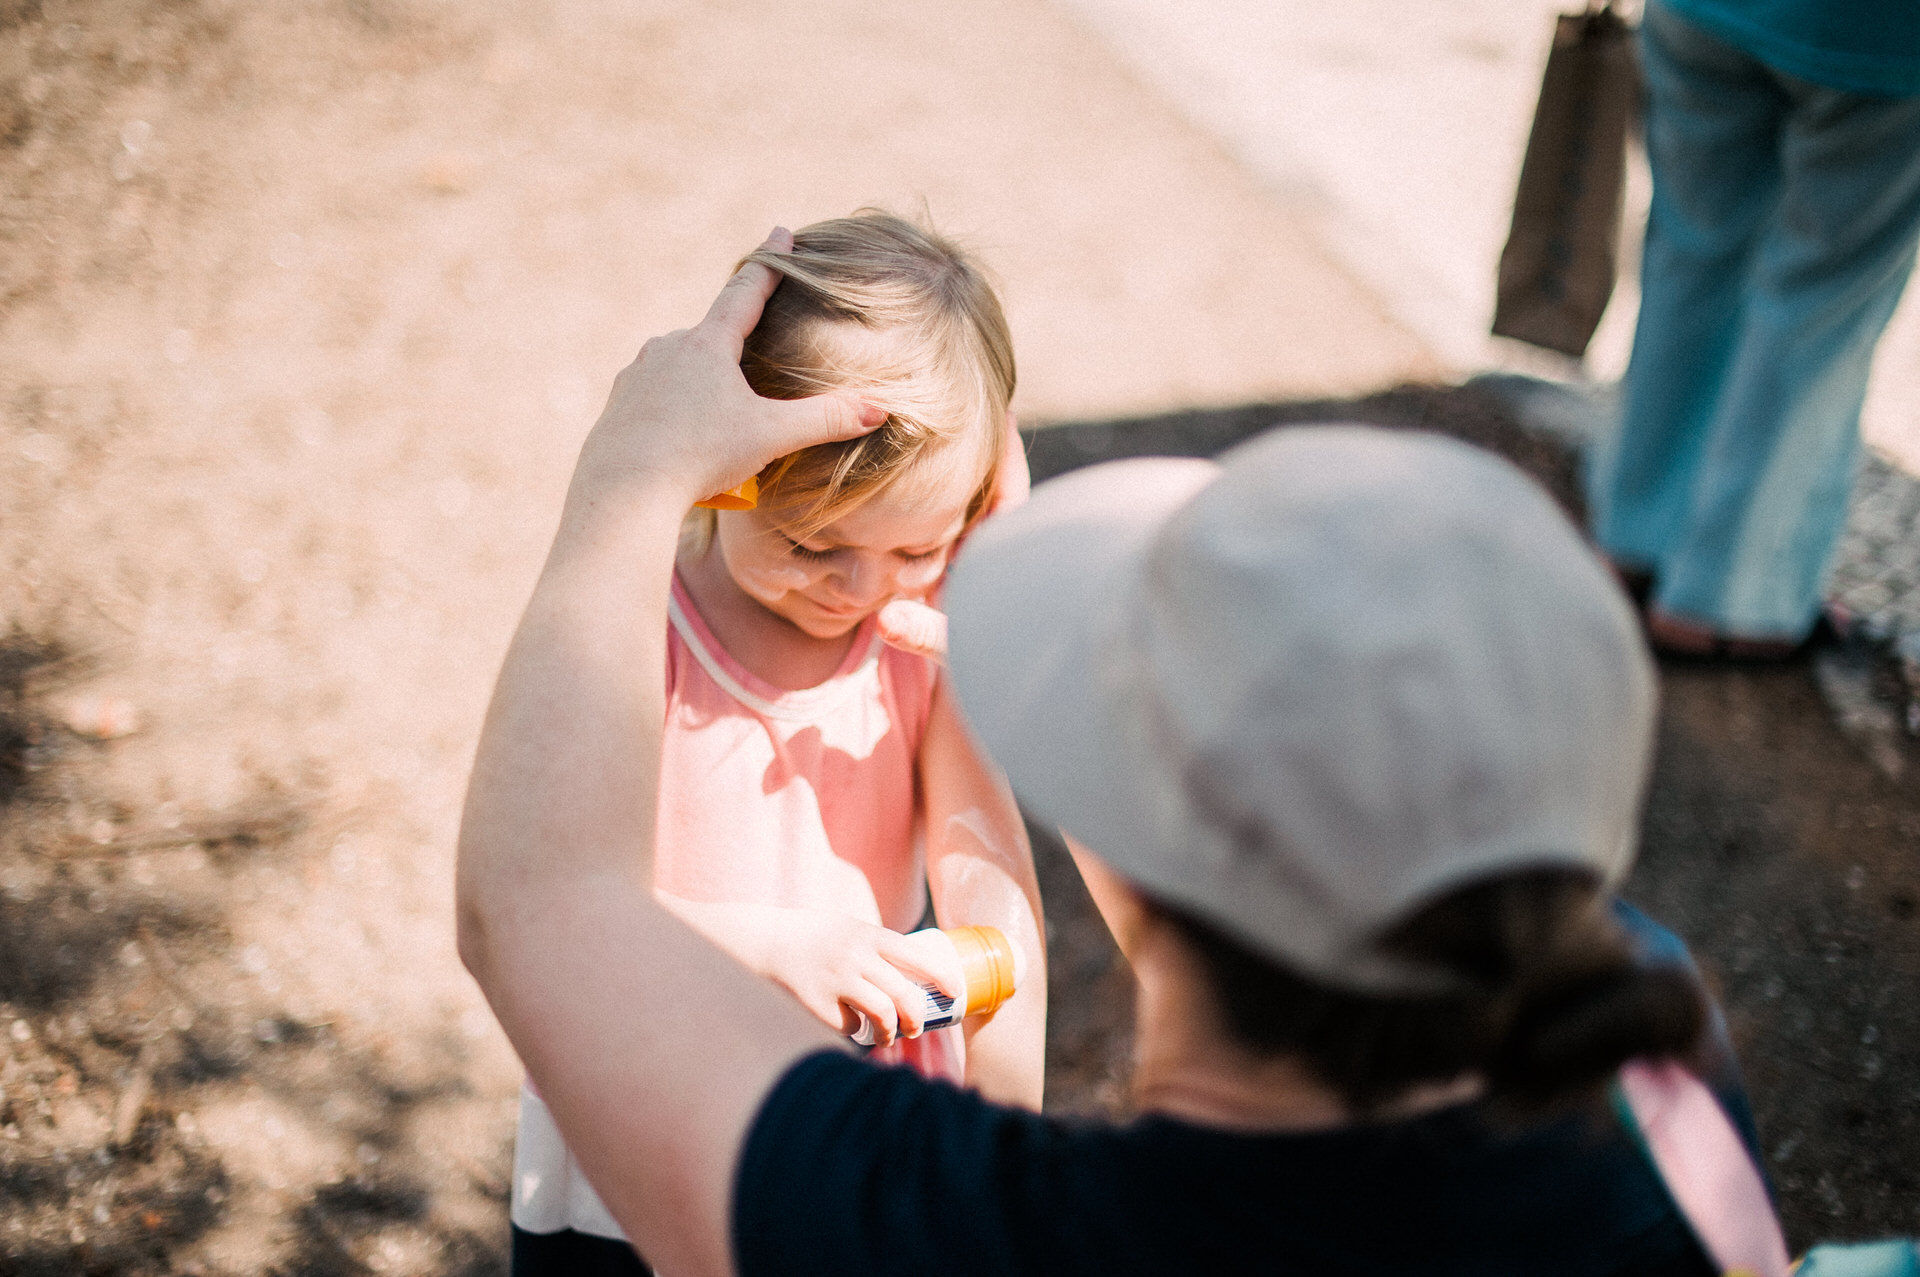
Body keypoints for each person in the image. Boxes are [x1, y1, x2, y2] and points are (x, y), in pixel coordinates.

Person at [458, 231, 1762, 1275]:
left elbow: (541, 904)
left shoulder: (974, 1226)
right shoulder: (1652, 1051)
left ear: (1163, 882)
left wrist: (631, 473)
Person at [504, 213, 1047, 1275]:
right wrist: (769, 949)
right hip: (653, 1110)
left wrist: (1003, 1164)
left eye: (919, 545)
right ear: (722, 472)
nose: (860, 589)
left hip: (857, 1120)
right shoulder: (640, 631)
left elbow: (998, 917)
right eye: (810, 542)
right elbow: (558, 901)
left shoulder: (919, 641)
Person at [1586, 0, 1920, 657]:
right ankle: (1729, 598)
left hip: (1703, 13)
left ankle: (1632, 536)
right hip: (1876, 39)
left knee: (1692, 251)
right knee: (1818, 303)